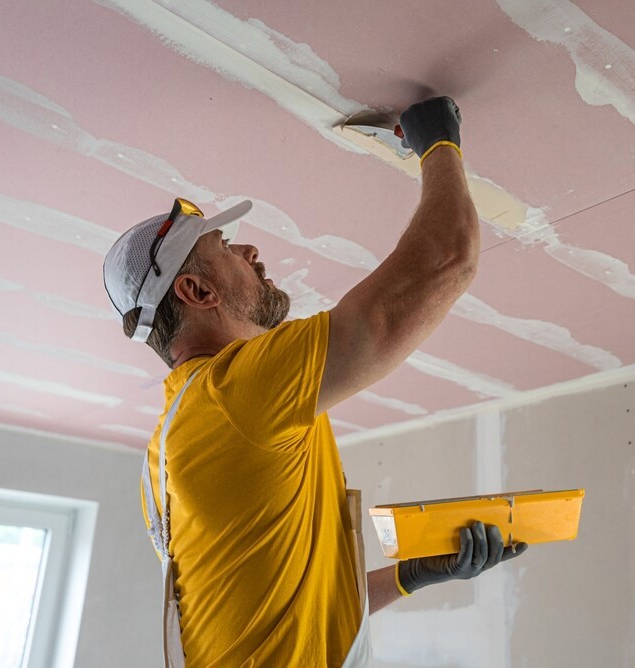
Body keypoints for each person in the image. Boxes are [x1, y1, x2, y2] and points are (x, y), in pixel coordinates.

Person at [103, 97, 527, 667]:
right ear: (198, 293)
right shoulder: (231, 397)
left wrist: (409, 576)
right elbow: (444, 262)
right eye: (224, 249)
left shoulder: (177, 440)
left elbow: (279, 616)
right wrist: (437, 143)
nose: (251, 250)